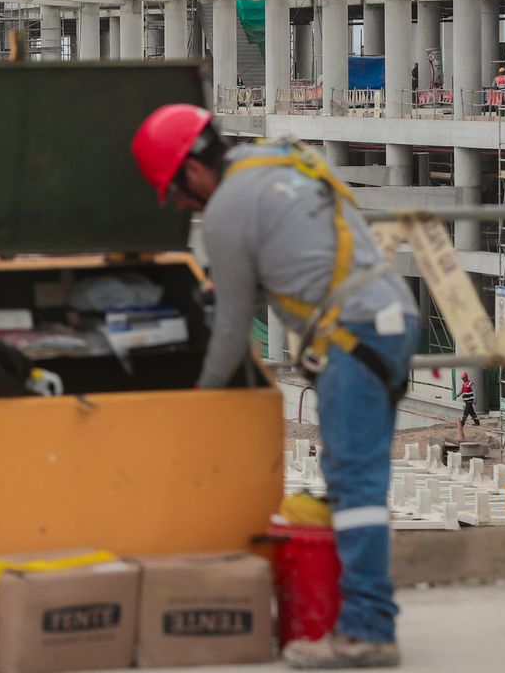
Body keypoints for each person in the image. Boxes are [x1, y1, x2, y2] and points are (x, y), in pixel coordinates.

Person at [131, 105, 417, 669]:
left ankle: (368, 632)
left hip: (355, 335)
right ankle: (360, 616)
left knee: (354, 485)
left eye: (177, 195)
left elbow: (233, 330)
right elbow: (290, 265)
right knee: (357, 479)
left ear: (192, 172)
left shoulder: (226, 209)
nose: (184, 207)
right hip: (390, 317)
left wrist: (202, 397)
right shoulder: (274, 160)